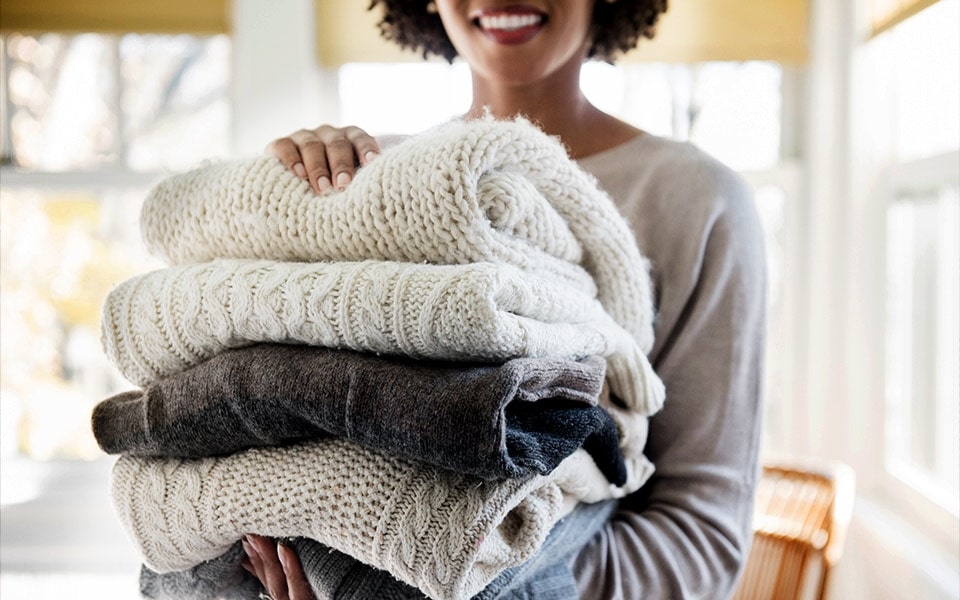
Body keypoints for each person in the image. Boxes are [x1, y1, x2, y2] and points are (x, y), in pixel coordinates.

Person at [242, 0, 767, 598]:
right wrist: (280, 197)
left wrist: (480, 573)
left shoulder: (696, 199)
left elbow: (702, 537)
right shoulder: (371, 177)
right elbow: (268, 432)